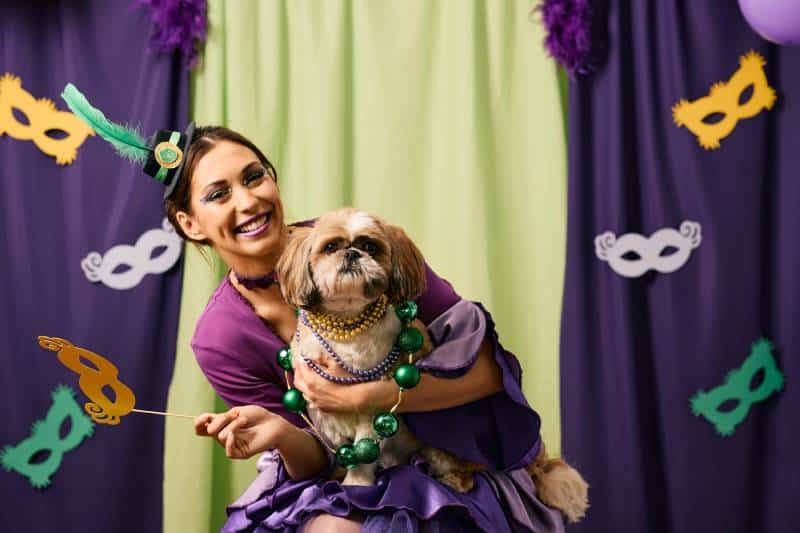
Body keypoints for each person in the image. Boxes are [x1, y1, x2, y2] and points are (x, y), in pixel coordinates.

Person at [59, 85, 567, 531]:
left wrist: (365, 397)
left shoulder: (364, 243)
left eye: (255, 176)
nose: (248, 200)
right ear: (190, 224)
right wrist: (280, 433)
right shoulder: (221, 337)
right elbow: (316, 462)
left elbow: (485, 376)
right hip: (339, 476)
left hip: (448, 448)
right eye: (218, 194)